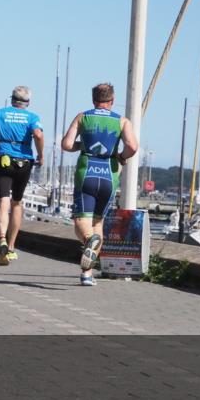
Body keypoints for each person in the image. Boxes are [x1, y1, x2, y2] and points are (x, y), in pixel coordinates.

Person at [61, 82, 138, 287]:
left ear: (93, 100)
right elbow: (133, 146)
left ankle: (88, 242)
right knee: (98, 223)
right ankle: (87, 274)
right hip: (109, 173)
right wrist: (121, 157)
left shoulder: (83, 117)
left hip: (86, 170)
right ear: (112, 101)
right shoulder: (122, 121)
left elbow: (66, 144)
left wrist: (82, 145)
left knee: (81, 221)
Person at [0, 86, 44, 266]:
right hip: (24, 161)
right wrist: (41, 155)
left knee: (3, 200)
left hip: (3, 158)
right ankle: (12, 247)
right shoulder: (32, 117)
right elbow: (38, 135)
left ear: (11, 99)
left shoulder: (0, 113)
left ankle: (1, 239)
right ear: (28, 102)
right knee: (17, 202)